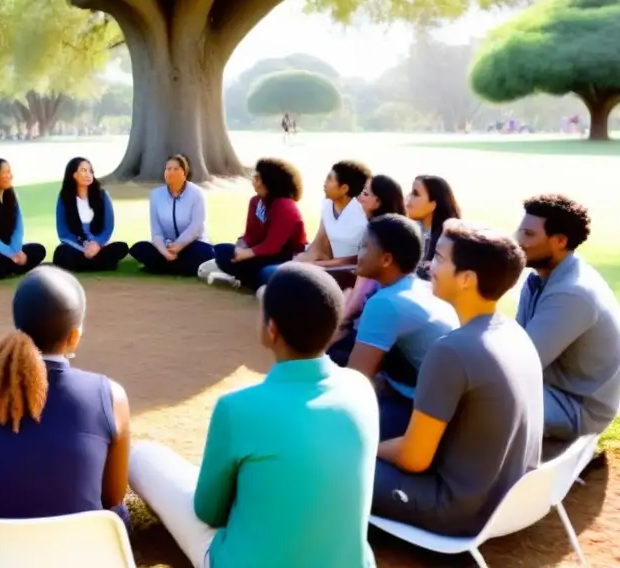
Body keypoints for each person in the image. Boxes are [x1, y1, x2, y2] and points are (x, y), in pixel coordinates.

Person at [130, 263, 378, 568]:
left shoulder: (237, 408)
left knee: (142, 457)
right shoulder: (361, 389)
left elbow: (208, 512)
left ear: (272, 329)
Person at [373, 221, 543, 537]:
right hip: (511, 500)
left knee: (329, 460)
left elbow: (413, 459)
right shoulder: (513, 332)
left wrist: (368, 447)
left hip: (458, 510)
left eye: (438, 258)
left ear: (467, 279)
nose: (428, 265)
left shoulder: (452, 350)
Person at [0, 266, 131, 523]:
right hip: (85, 554)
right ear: (74, 337)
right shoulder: (112, 395)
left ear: (17, 327)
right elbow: (113, 499)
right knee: (140, 462)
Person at [516, 194, 620, 442]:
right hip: (551, 390)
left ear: (559, 241)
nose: (518, 241)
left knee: (485, 400)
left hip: (578, 408)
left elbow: (521, 363)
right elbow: (515, 345)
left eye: (529, 234)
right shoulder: (538, 279)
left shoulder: (572, 293)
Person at [346, 215, 459, 439]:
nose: (358, 252)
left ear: (386, 260)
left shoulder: (386, 303)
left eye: (364, 246)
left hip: (420, 412)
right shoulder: (421, 287)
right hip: (442, 406)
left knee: (341, 432)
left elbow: (354, 381)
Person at [211, 158, 306, 291]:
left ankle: (244, 280)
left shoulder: (285, 206)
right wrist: (241, 247)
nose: (253, 181)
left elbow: (273, 245)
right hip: (260, 252)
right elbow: (250, 235)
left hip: (285, 255)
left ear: (269, 181)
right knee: (222, 250)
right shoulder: (255, 202)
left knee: (259, 269)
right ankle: (243, 278)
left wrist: (245, 254)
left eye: (257, 178)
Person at [336, 175, 409, 335]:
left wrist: (333, 327)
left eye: (366, 194)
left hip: (365, 324)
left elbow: (358, 299)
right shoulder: (393, 232)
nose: (359, 197)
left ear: (378, 203)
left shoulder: (377, 238)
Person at [130, 155, 215, 276]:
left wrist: (178, 246)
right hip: (167, 246)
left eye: (176, 169)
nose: (171, 172)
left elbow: (196, 227)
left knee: (206, 253)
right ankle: (178, 267)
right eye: (168, 169)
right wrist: (165, 251)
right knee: (139, 248)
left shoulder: (197, 194)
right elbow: (156, 231)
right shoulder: (156, 195)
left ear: (184, 173)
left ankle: (161, 267)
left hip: (191, 245)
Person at [52, 157, 130, 272]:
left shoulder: (102, 196)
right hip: (76, 247)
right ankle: (98, 264)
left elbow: (108, 228)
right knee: (61, 253)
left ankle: (87, 264)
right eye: (84, 170)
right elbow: (63, 233)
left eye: (90, 171)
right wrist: (84, 247)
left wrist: (96, 244)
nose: (88, 174)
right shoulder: (64, 198)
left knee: (121, 247)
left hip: (98, 247)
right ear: (74, 175)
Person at [295, 160, 371, 267]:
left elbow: (361, 257)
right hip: (330, 265)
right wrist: (301, 260)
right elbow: (319, 243)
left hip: (352, 270)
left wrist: (322, 265)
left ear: (344, 188)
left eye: (329, 179)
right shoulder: (327, 204)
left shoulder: (362, 210)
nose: (324, 182)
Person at [405, 175, 461, 279]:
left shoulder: (449, 241)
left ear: (433, 204)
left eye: (415, 193)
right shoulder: (408, 230)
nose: (408, 198)